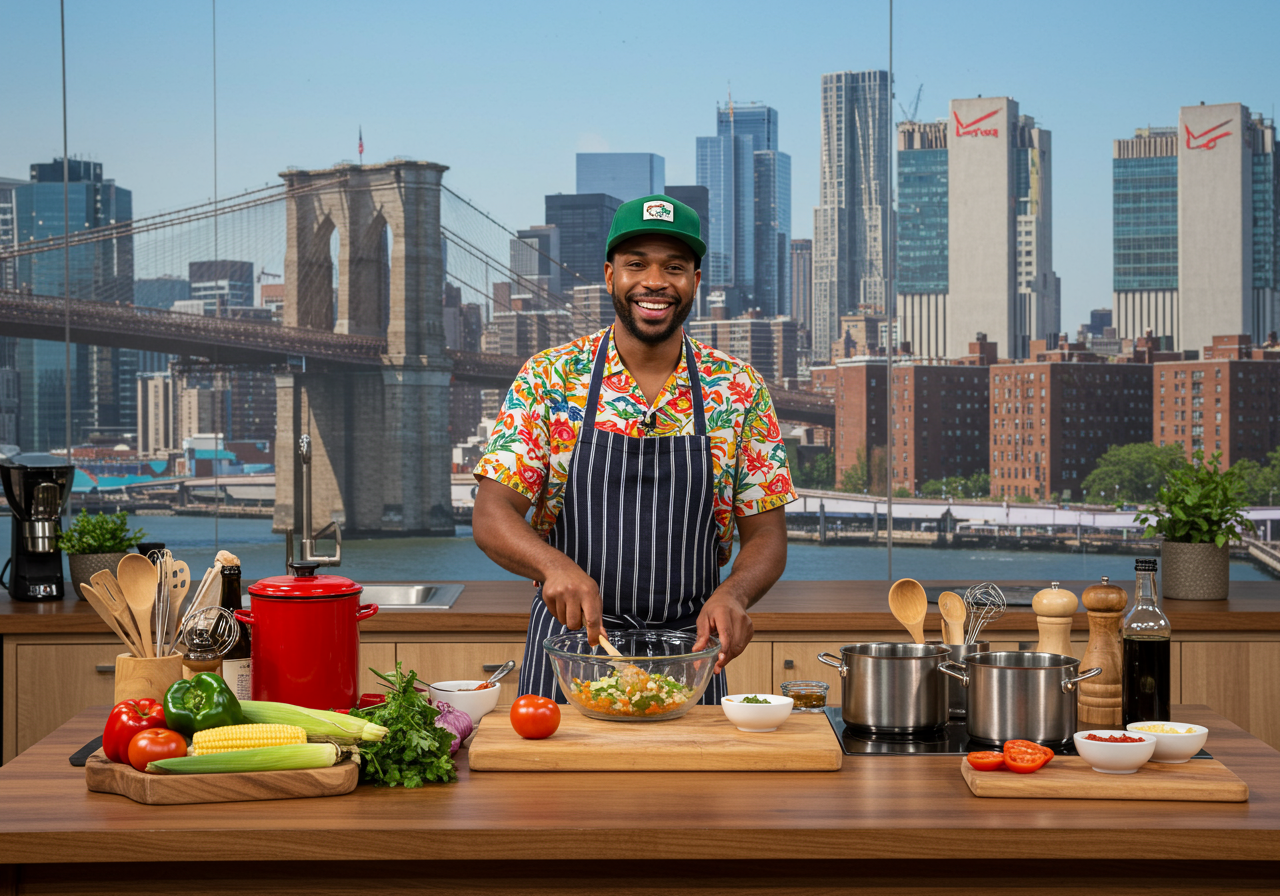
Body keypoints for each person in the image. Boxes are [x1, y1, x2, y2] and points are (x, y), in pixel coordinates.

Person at [472, 193, 794, 703]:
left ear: (695, 281)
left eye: (674, 266)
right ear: (609, 276)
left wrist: (734, 593)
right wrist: (553, 566)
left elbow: (767, 536)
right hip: (571, 652)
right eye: (636, 264)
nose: (655, 281)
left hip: (690, 657)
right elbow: (492, 515)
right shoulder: (551, 378)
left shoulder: (738, 388)